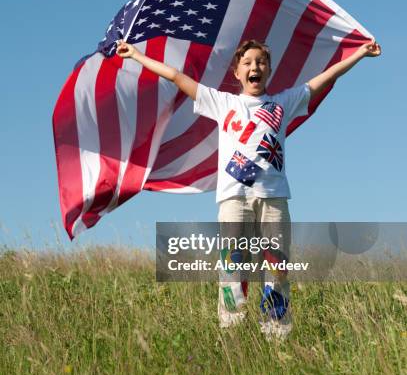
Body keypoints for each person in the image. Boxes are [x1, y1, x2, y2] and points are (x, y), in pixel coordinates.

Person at [116, 37, 381, 339]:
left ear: (268, 70)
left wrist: (359, 53)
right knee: (232, 266)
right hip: (234, 199)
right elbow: (178, 77)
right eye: (248, 63)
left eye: (261, 62)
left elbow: (326, 77)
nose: (255, 67)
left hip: (273, 199)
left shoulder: (282, 103)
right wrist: (137, 55)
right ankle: (232, 333)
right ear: (237, 73)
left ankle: (276, 333)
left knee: (277, 268)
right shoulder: (223, 102)